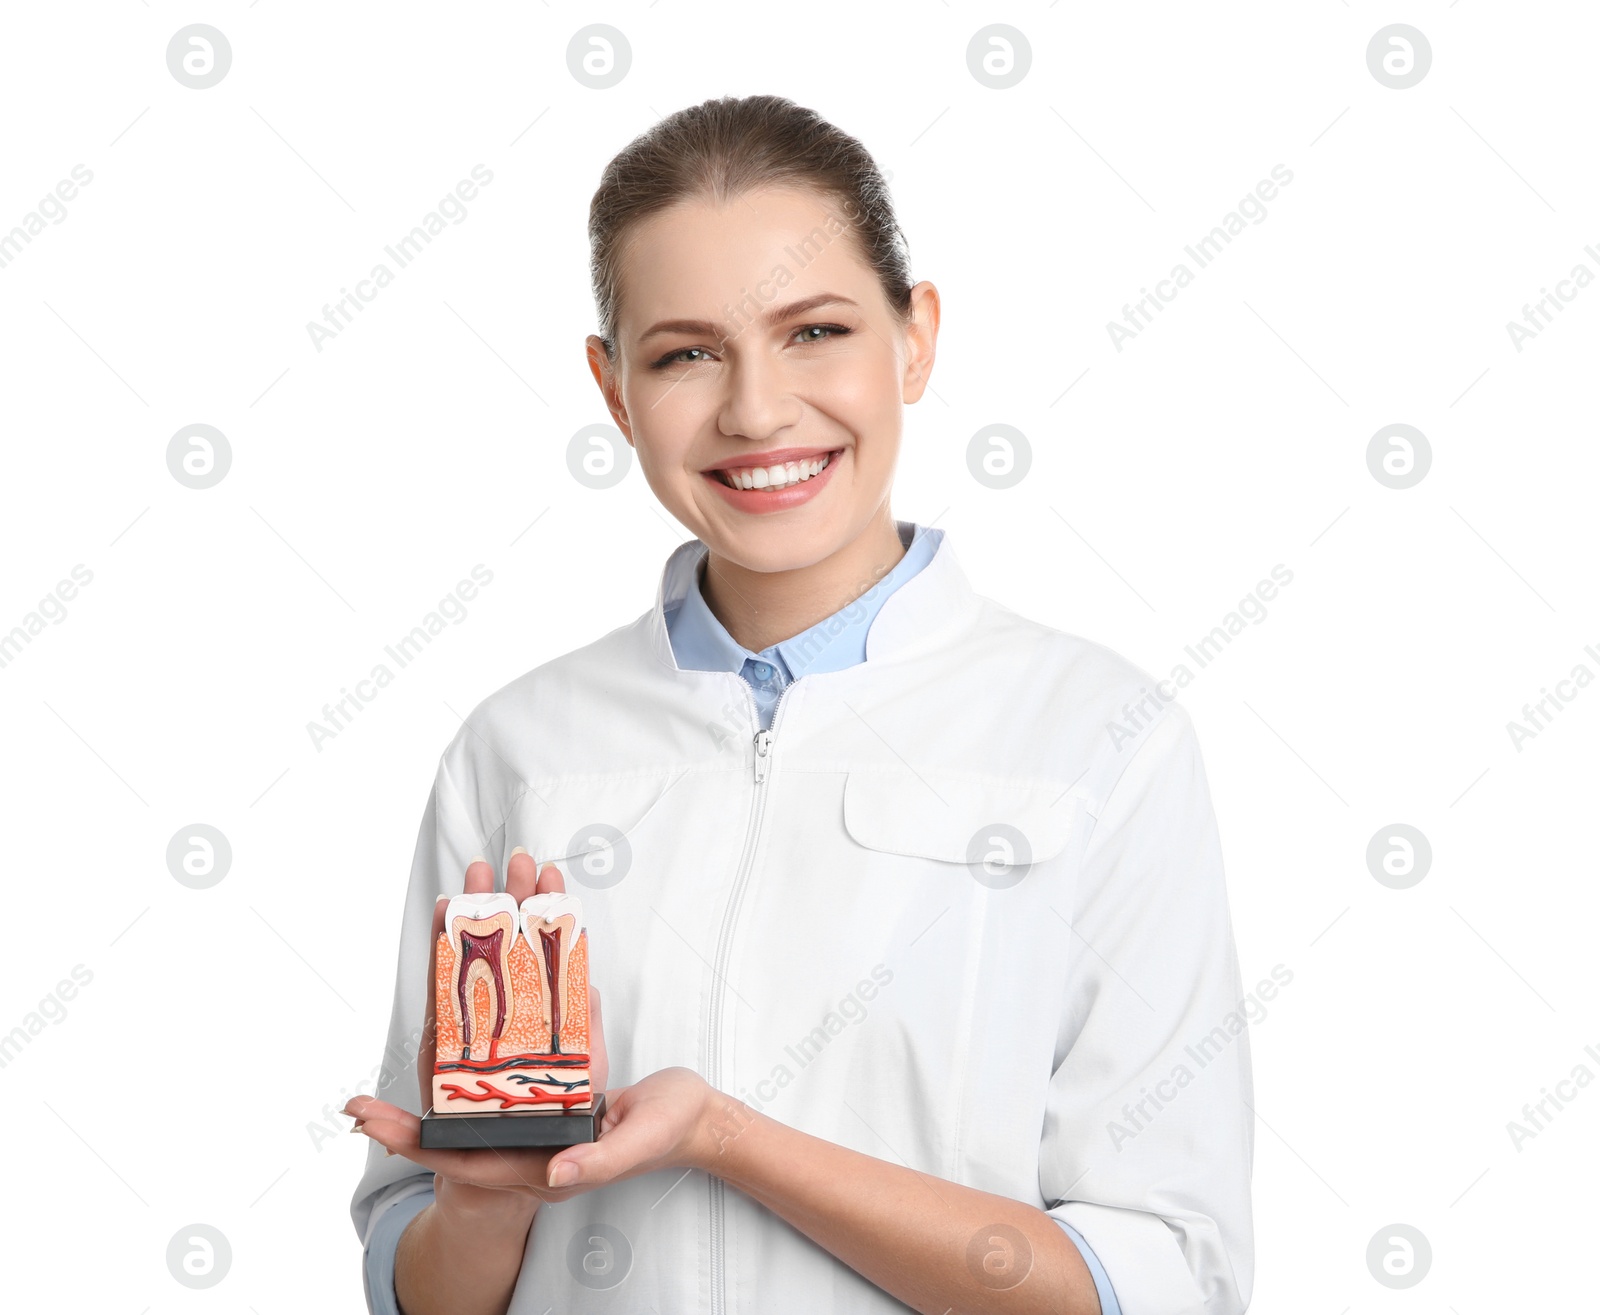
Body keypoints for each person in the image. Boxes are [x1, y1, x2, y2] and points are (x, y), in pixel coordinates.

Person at [346, 93, 1254, 1315]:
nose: (757, 411)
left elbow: (1164, 1279)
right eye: (684, 353)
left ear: (915, 337)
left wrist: (724, 1137)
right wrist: (483, 1203)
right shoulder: (521, 750)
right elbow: (417, 1284)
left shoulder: (1095, 738)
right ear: (613, 391)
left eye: (814, 330)